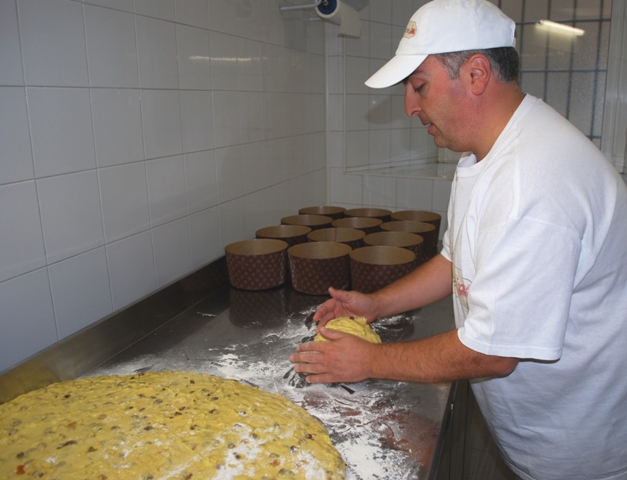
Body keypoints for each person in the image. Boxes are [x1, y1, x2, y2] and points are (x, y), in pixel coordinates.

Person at [289, 1, 627, 479]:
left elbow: (494, 350)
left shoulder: (534, 181)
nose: (409, 106)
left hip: (579, 454)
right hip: (541, 437)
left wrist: (370, 359)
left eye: (419, 86)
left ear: (475, 74)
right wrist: (376, 305)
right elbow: (456, 259)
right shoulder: (486, 154)